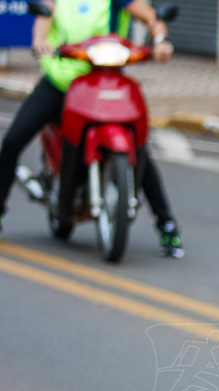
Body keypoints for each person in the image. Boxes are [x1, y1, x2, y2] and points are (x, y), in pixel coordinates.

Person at [0, 0, 184, 258]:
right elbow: (45, 15)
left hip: (102, 84)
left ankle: (167, 225)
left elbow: (150, 16)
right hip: (60, 84)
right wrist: (40, 40)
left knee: (139, 149)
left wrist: (161, 40)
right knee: (12, 141)